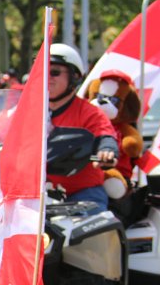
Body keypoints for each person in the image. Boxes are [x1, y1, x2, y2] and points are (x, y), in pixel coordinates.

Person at [45, 43, 118, 213]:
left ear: (75, 77)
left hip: (81, 194)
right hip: (36, 194)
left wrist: (106, 151)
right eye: (43, 72)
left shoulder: (90, 113)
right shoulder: (28, 112)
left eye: (54, 72)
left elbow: (104, 136)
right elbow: (3, 139)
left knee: (92, 222)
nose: (47, 78)